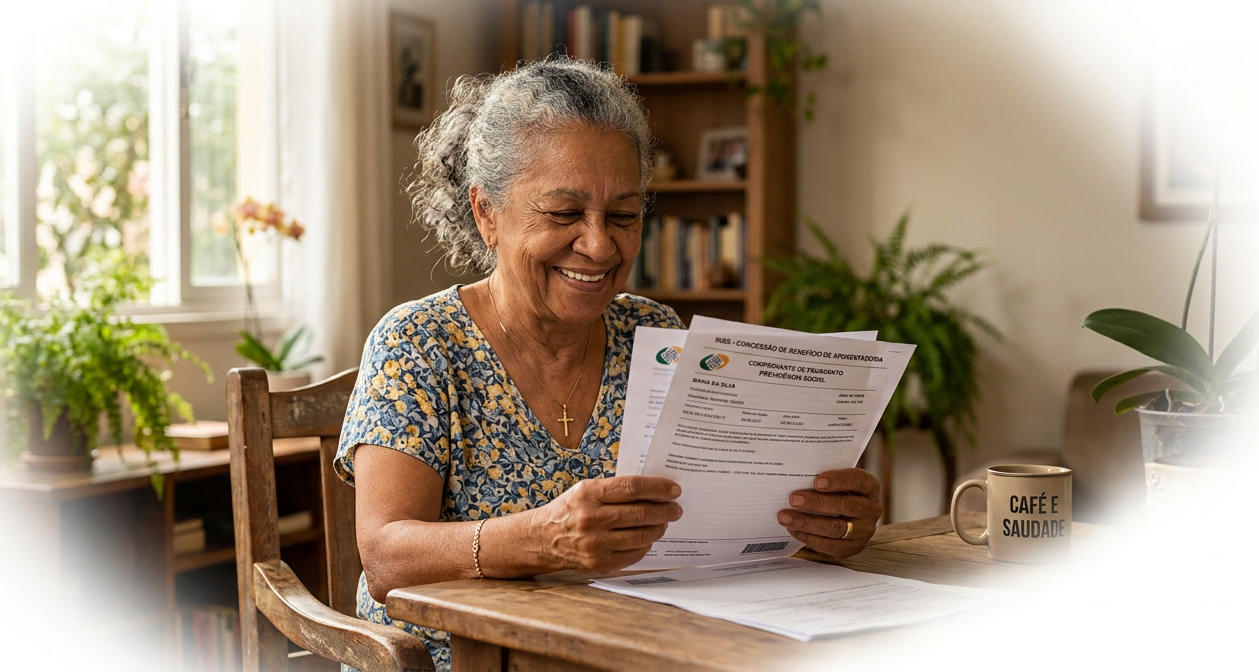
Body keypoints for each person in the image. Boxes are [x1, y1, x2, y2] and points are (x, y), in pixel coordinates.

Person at [333, 59, 883, 669]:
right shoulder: (418, 343)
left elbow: (712, 535)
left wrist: (822, 527)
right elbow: (386, 556)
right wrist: (545, 537)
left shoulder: (655, 333)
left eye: (623, 215)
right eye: (564, 214)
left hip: (624, 650)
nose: (599, 244)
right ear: (487, 213)